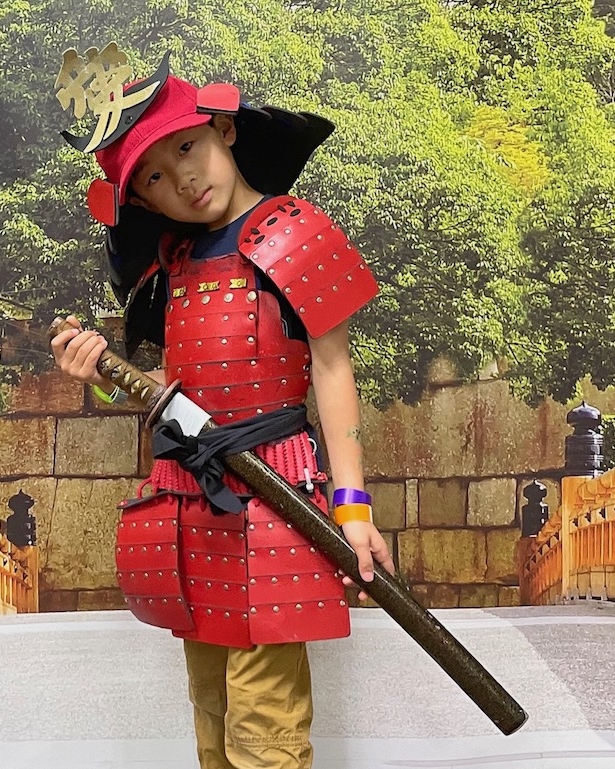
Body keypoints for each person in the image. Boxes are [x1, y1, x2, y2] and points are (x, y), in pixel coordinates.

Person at [51, 48, 395, 769]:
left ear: (223, 130)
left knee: (266, 728)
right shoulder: (173, 262)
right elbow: (176, 392)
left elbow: (333, 370)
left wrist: (353, 505)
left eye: (187, 147)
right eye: (154, 173)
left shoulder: (296, 229)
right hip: (191, 502)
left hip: (276, 496)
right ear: (138, 199)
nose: (182, 175)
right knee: (211, 710)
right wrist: (103, 376)